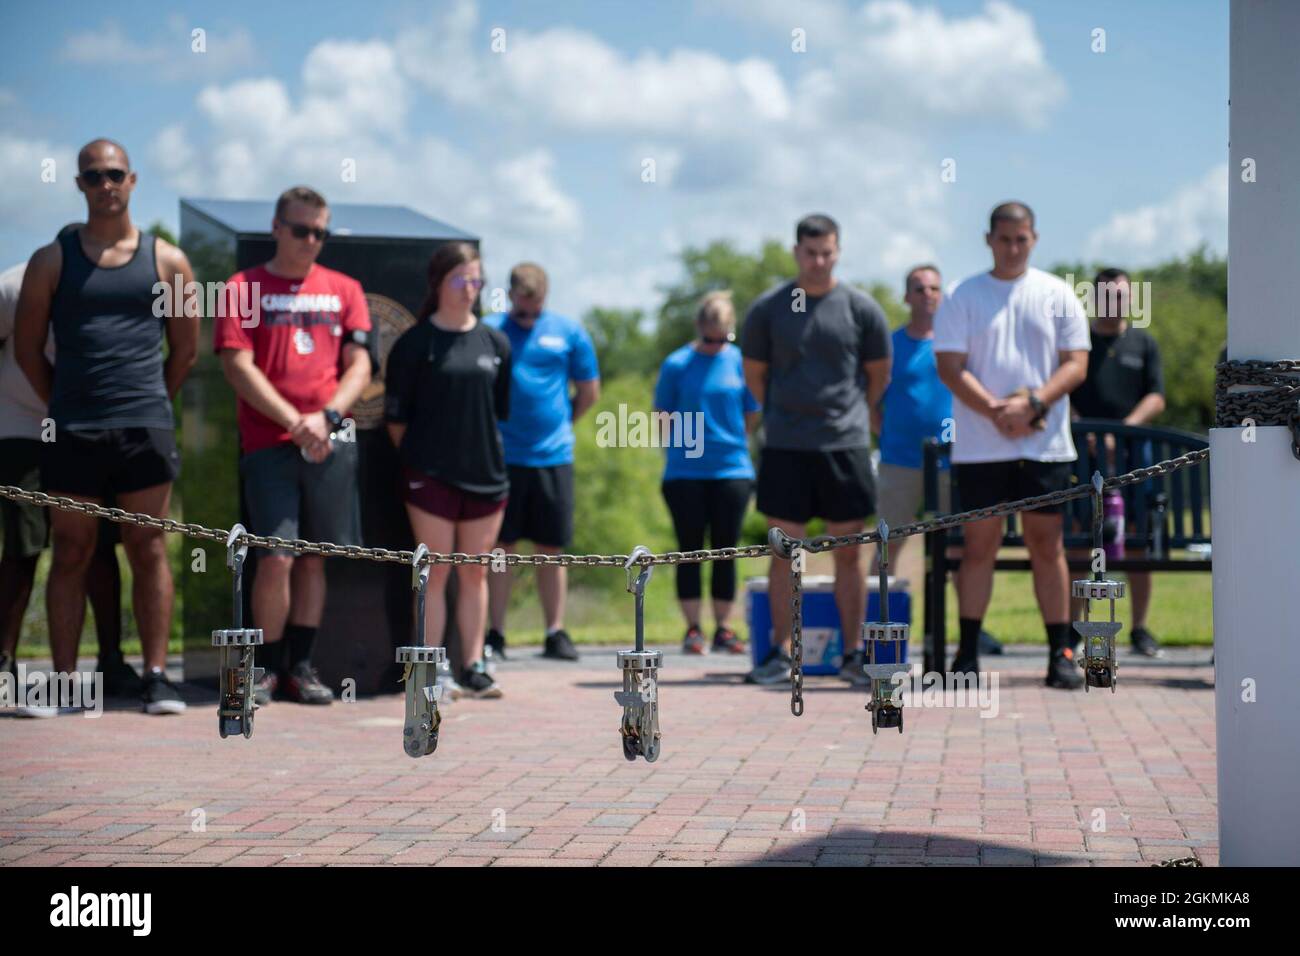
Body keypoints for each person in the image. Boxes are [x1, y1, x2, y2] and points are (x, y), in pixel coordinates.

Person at [14, 139, 198, 714]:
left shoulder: (169, 261)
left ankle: (156, 678)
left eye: (114, 174)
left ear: (133, 179)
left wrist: (149, 405)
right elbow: (25, 351)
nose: (105, 184)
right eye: (93, 176)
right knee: (71, 549)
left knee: (148, 548)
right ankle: (68, 685)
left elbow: (186, 351)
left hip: (145, 428)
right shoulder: (53, 258)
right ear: (79, 184)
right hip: (73, 429)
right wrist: (66, 405)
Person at [215, 185, 372, 707]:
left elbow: (361, 365)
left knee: (313, 558)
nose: (311, 240)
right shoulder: (243, 286)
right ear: (277, 228)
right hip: (268, 443)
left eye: (321, 232)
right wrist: (292, 420)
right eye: (302, 229)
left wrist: (326, 418)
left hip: (329, 442)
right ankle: (263, 668)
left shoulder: (345, 288)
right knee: (275, 556)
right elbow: (236, 364)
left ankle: (300, 668)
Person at [933, 201, 1091, 689]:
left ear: (1034, 238)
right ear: (989, 240)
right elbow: (950, 367)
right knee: (978, 547)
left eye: (1021, 239)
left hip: (1044, 447)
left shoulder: (1057, 293)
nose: (1013, 247)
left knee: (1049, 546)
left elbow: (1076, 363)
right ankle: (967, 655)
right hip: (981, 447)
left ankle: (1059, 653)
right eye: (1004, 239)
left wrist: (1035, 405)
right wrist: (997, 411)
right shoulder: (962, 295)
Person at [741, 214, 892, 685]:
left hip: (844, 445)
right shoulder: (769, 309)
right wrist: (785, 415)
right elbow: (754, 376)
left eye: (827, 252)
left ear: (838, 251)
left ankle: (852, 654)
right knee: (786, 551)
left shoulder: (862, 308)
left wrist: (847, 416)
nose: (819, 261)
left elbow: (878, 375)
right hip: (786, 445)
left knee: (850, 553)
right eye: (811, 252)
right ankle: (780, 654)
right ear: (796, 252)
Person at [0, 248, 135, 710]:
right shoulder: (11, 288)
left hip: (89, 431)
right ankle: (3, 663)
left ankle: (112, 661)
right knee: (24, 546)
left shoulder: (107, 287)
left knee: (98, 544)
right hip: (23, 428)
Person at [385, 242, 511, 699]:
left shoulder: (495, 342)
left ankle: (474, 664)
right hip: (429, 475)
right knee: (435, 569)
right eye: (461, 279)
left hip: (486, 475)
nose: (470, 289)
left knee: (475, 570)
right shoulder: (416, 344)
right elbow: (395, 421)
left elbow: (499, 411)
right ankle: (431, 666)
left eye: (476, 280)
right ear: (439, 282)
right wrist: (423, 463)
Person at [484, 263, 599, 662]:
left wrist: (563, 422)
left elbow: (588, 391)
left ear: (545, 296)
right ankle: (495, 633)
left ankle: (555, 631)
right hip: (502, 456)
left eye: (535, 308)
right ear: (511, 295)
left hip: (553, 456)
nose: (527, 315)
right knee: (501, 548)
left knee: (551, 548)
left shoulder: (569, 332)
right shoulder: (490, 329)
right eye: (521, 308)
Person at [655, 291, 759, 655]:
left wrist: (729, 441)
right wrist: (682, 449)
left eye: (724, 336)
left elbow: (750, 413)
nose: (717, 344)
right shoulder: (677, 364)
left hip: (731, 469)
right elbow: (662, 417)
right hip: (685, 472)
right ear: (699, 327)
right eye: (710, 336)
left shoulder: (741, 363)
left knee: (726, 550)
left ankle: (724, 628)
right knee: (689, 550)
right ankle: (693, 628)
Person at [1070, 267, 1166, 657]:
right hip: (1081, 455)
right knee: (1078, 541)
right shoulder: (1078, 343)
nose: (1113, 303)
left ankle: (1140, 628)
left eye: (1120, 296)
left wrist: (1124, 430)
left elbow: (1156, 396)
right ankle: (1076, 632)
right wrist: (1086, 432)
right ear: (1093, 299)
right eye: (1105, 295)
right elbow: (1064, 392)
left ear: (1130, 299)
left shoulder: (1144, 343)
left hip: (1134, 457)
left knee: (1139, 541)